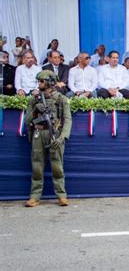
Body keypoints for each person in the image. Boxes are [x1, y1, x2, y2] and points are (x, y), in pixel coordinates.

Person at [24, 70, 72, 207]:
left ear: (50, 82)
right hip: (38, 134)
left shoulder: (61, 99)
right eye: (38, 81)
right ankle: (34, 196)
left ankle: (61, 195)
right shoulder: (34, 99)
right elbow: (28, 121)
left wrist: (62, 137)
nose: (39, 84)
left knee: (57, 166)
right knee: (37, 166)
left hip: (55, 135)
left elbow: (67, 120)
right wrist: (34, 110)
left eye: (42, 81)